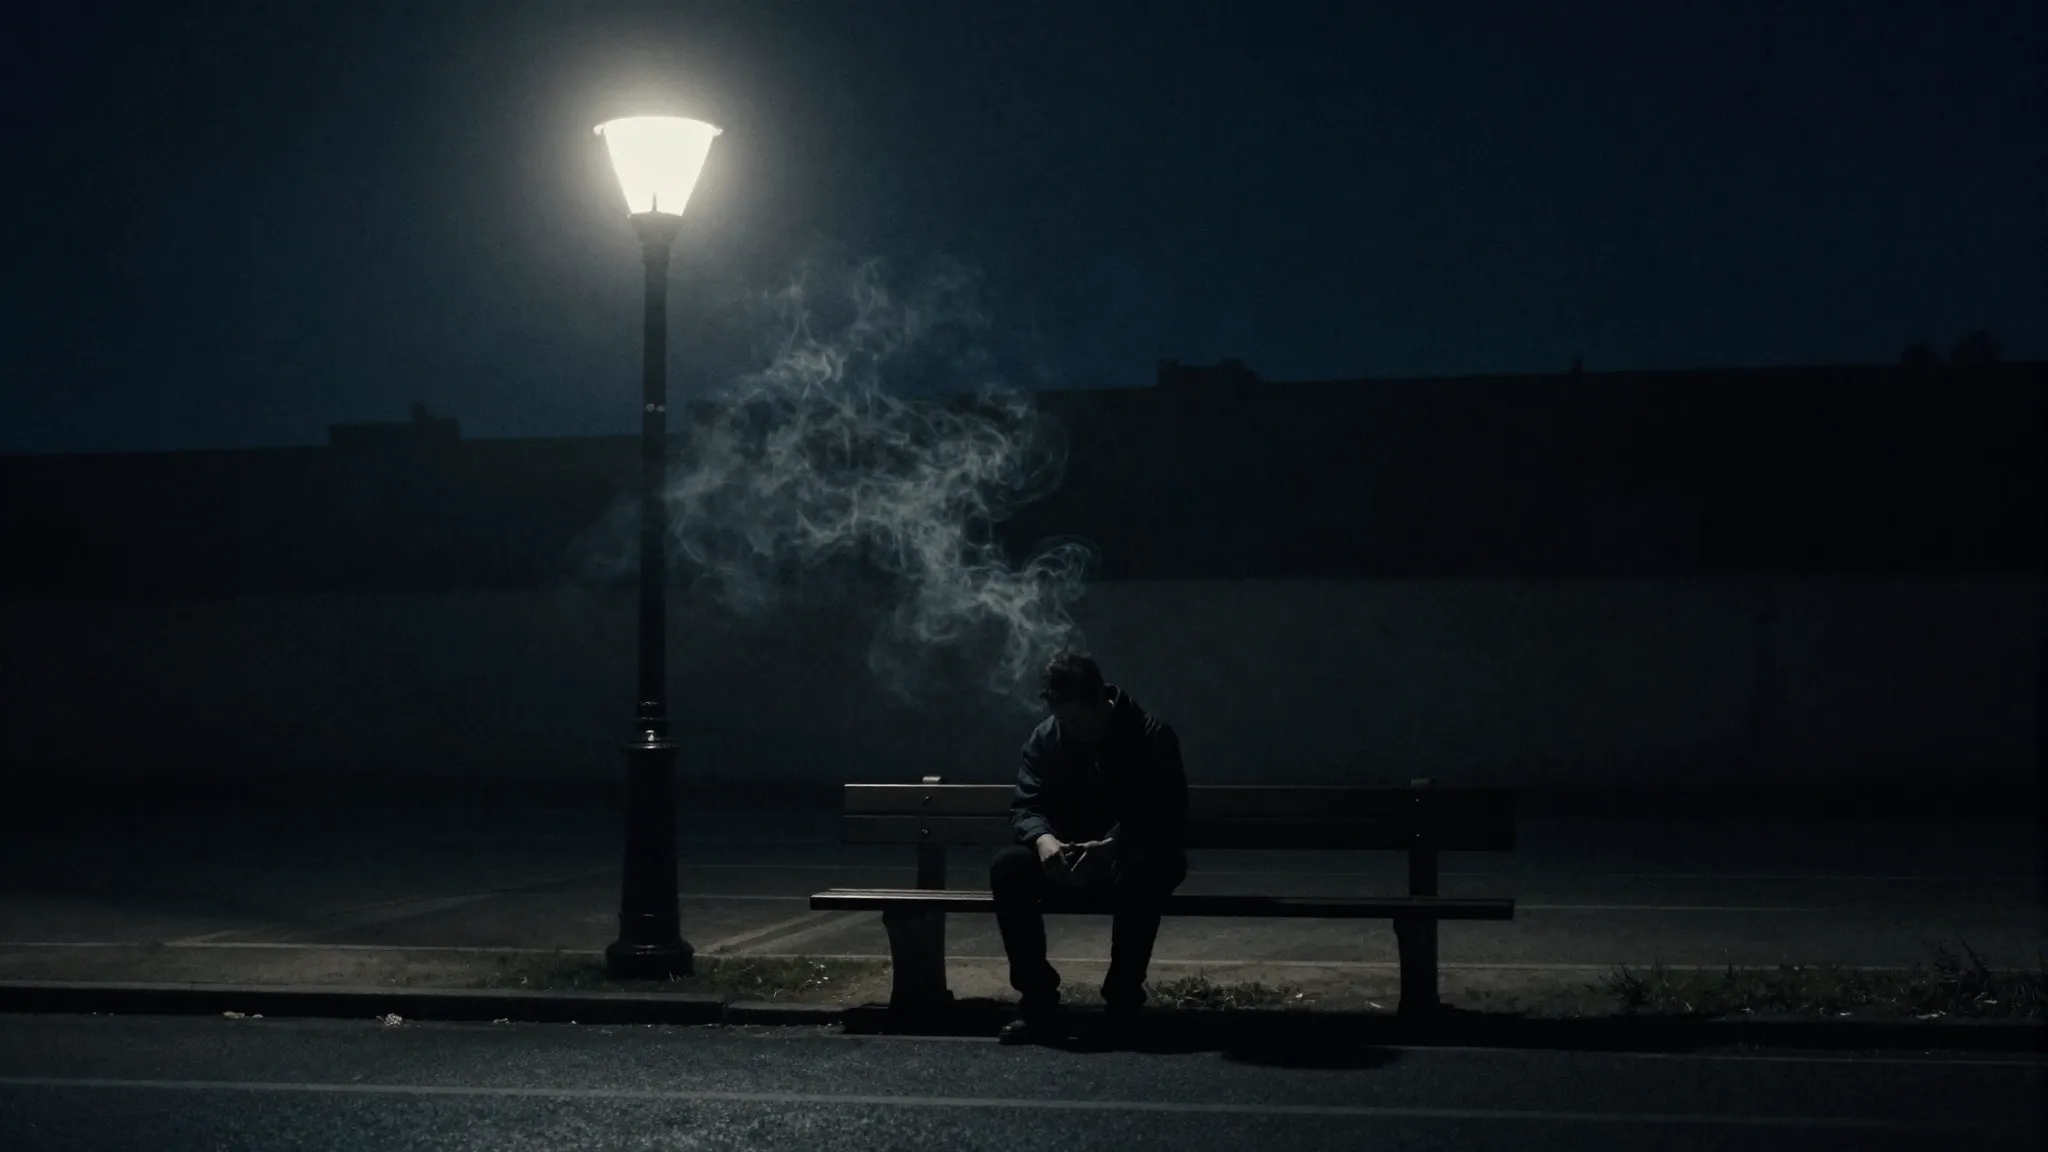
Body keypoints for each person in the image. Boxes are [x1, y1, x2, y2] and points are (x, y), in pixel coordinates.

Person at [990, 649, 1189, 1045]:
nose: (1074, 728)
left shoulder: (1149, 735)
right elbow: (1027, 804)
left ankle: (1122, 1004)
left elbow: (1167, 814)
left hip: (1127, 857)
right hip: (1066, 859)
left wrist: (1115, 845)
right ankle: (1038, 1004)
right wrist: (1045, 843)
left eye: (1080, 718)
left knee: (1152, 868)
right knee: (1008, 868)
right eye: (1065, 719)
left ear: (1101, 700)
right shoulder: (1048, 737)